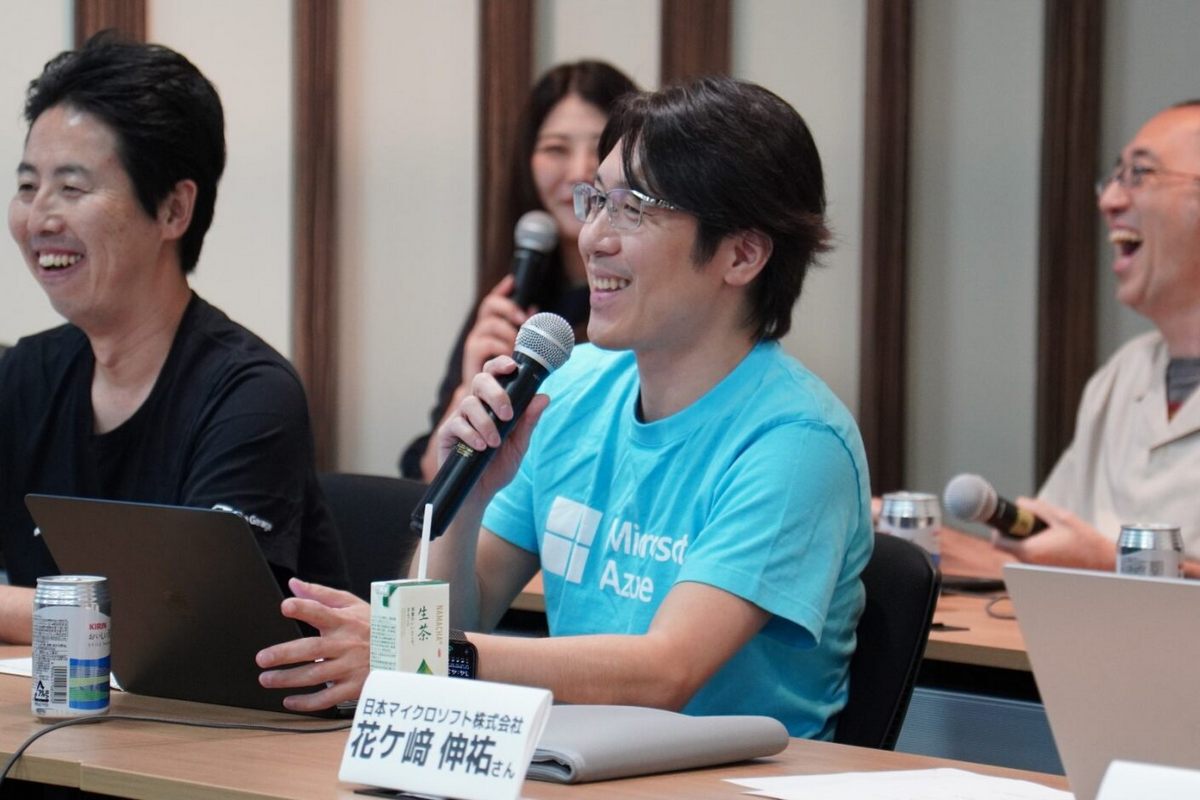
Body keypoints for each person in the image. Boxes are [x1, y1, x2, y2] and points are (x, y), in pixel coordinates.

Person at [259, 75, 874, 740]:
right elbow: (459, 616)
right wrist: (467, 502)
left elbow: (666, 671)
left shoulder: (797, 442)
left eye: (633, 209)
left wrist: (422, 654)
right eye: (597, 201)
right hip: (572, 765)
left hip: (729, 778)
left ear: (742, 254)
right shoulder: (571, 387)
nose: (592, 238)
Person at [0, 34, 349, 644]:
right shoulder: (25, 375)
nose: (39, 218)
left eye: (72, 188)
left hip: (235, 708)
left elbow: (191, 625)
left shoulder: (250, 395)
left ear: (173, 210)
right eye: (28, 186)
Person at [973, 100, 1200, 576]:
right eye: (1114, 178)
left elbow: (1090, 558)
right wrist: (883, 537)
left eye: (1140, 174)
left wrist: (1117, 564)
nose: (1109, 200)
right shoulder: (1122, 375)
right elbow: (1034, 558)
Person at [399, 61, 637, 481]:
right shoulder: (512, 297)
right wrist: (469, 389)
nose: (579, 171)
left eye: (600, 148)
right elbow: (429, 477)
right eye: (556, 149)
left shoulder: (642, 302)